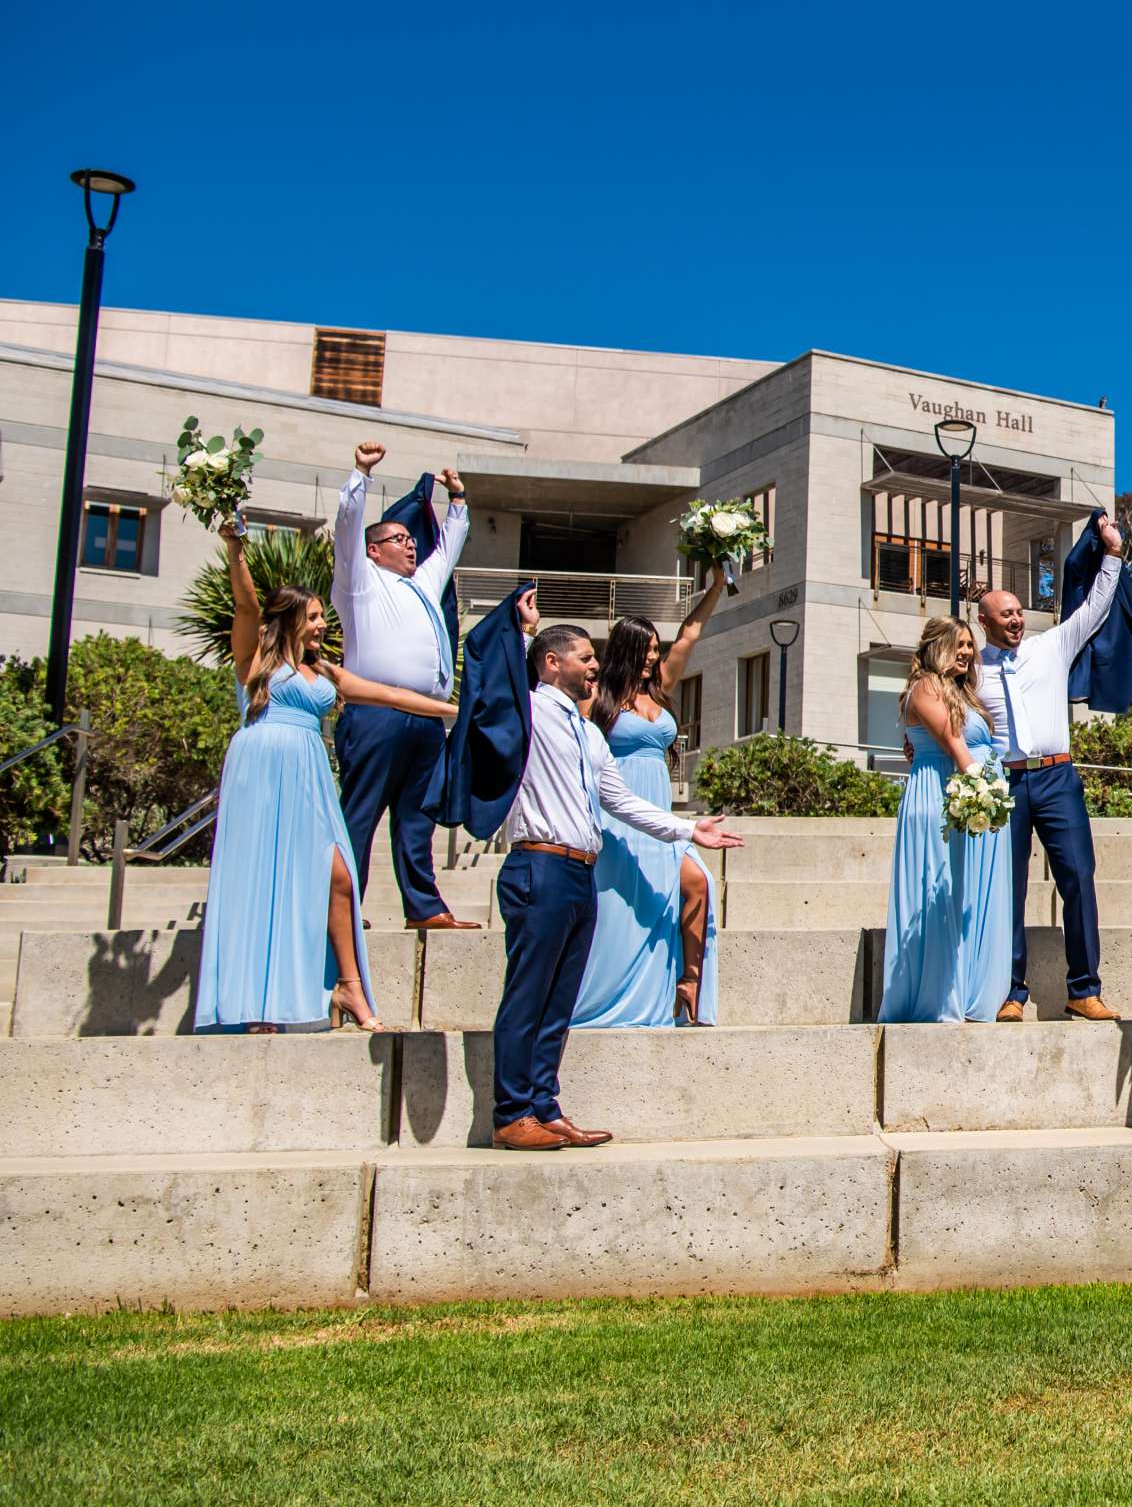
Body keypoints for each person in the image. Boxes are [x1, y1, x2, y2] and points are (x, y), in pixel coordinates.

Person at [195, 520, 457, 1033]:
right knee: (259, 879)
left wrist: (452, 710)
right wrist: (235, 548)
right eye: (313, 617)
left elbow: (386, 694)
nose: (321, 624)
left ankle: (349, 986)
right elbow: (247, 605)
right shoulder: (253, 663)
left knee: (338, 873)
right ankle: (256, 1002)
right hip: (261, 767)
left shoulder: (326, 671)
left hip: (308, 773)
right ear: (289, 619)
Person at [491, 616, 742, 1151]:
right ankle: (511, 1114)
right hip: (538, 864)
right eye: (585, 658)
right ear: (553, 663)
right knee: (528, 997)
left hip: (579, 868)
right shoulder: (528, 710)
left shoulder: (586, 731)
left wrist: (686, 829)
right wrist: (518, 625)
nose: (595, 666)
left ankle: (544, 1106)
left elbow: (620, 800)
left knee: (557, 1002)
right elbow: (493, 676)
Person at [973, 512, 1125, 1022]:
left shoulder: (1050, 646)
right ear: (984, 622)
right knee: (1007, 888)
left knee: (1079, 876)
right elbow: (940, 711)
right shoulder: (972, 671)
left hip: (1058, 778)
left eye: (1018, 612)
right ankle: (1011, 991)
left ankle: (1084, 989)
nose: (1015, 620)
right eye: (1005, 615)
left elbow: (1095, 609)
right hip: (1004, 783)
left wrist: (1113, 554)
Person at [331, 441, 478, 929]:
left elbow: (450, 544)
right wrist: (361, 474)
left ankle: (424, 907)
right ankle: (342, 907)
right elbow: (348, 527)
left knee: (417, 820)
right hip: (377, 714)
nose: (410, 543)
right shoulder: (360, 581)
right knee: (361, 814)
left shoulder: (422, 583)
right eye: (398, 539)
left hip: (426, 719)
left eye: (411, 539)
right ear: (374, 550)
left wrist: (457, 501)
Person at [573, 569, 729, 1027]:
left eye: (655, 651)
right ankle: (611, 993)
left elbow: (692, 632)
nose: (652, 658)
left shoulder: (659, 687)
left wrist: (718, 584)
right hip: (617, 815)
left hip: (659, 812)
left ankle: (689, 981)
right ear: (625, 652)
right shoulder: (596, 700)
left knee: (697, 884)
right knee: (623, 907)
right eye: (645, 651)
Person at [880, 617, 1012, 1023]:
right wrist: (980, 790)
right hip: (947, 795)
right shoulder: (926, 687)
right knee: (943, 891)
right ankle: (942, 995)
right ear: (937, 645)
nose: (967, 653)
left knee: (968, 894)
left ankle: (972, 989)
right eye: (959, 645)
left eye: (970, 646)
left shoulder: (958, 690)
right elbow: (954, 745)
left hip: (969, 797)